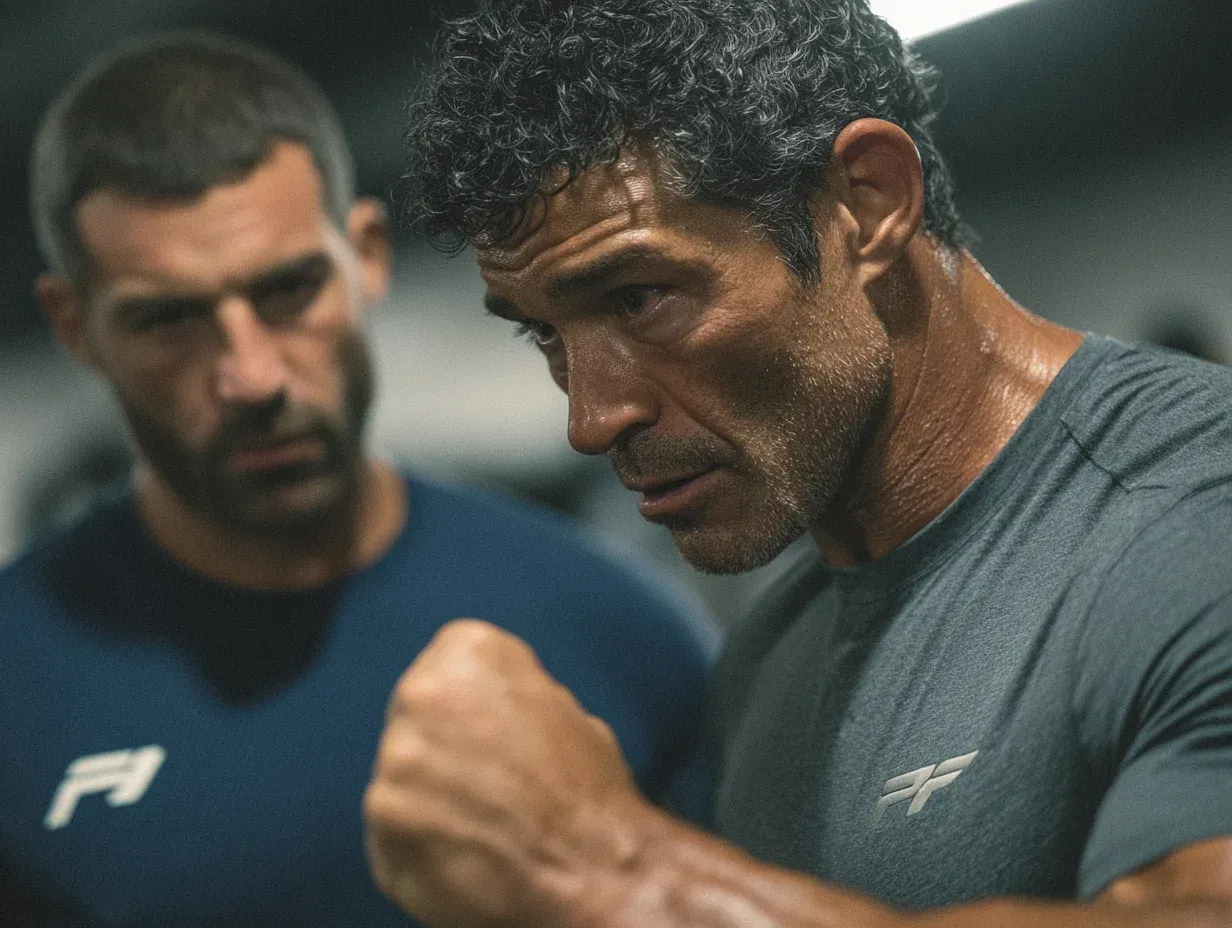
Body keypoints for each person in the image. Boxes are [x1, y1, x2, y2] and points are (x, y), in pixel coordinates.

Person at [362, 1, 1232, 926]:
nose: (590, 418)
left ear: (868, 204)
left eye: (640, 296)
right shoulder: (768, 655)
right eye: (545, 333)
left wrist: (618, 874)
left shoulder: (1194, 517)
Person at [1, 30, 718, 928]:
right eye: (168, 321)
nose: (252, 376)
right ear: (75, 328)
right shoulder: (14, 676)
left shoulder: (614, 622)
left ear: (368, 255)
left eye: (289, 290)